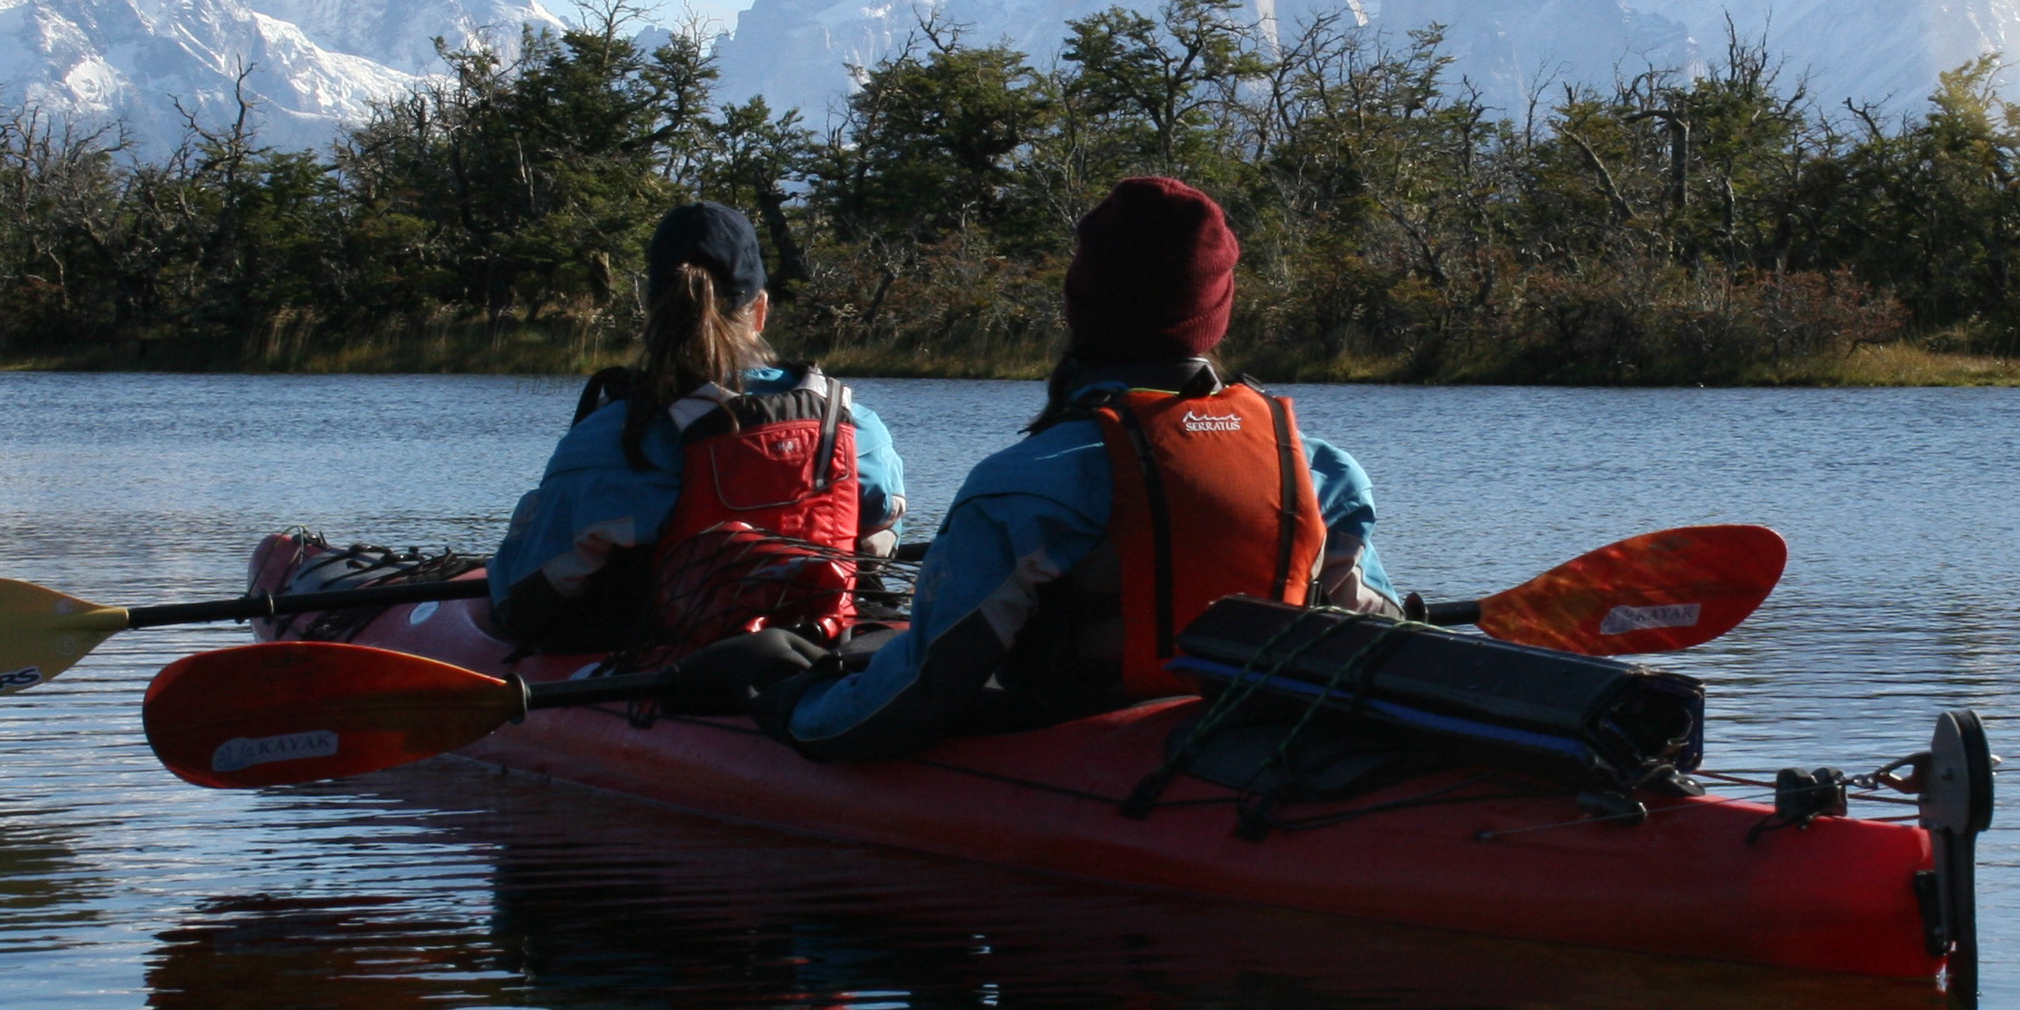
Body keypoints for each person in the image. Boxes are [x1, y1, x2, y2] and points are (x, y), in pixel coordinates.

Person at [759, 175, 1397, 760]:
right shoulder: (1322, 471)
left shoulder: (1028, 481)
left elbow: (927, 688)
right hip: (1253, 742)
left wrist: (790, 703)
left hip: (1081, 748)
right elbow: (1384, 637)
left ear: (1081, 308)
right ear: (1215, 315)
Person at [484, 200, 906, 654]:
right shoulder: (852, 424)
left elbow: (531, 595)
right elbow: (879, 542)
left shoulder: (613, 436)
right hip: (822, 643)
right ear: (760, 310)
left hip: (673, 658)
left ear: (652, 311)